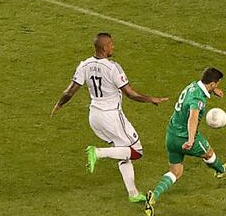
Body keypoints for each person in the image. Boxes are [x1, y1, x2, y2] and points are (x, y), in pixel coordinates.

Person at [50, 32, 168, 203]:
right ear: (105, 48)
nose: (113, 46)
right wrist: (151, 99)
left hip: (94, 116)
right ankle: (98, 152)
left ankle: (133, 193)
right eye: (111, 44)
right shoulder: (113, 68)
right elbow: (130, 93)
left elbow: (70, 90)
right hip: (111, 116)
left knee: (122, 152)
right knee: (136, 151)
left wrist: (59, 104)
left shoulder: (84, 65)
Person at [143, 68, 226, 216]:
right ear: (211, 83)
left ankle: (153, 197)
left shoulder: (193, 86)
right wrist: (191, 140)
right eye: (216, 84)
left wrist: (213, 91)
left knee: (176, 172)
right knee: (208, 153)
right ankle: (221, 170)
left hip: (171, 136)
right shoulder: (197, 99)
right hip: (185, 138)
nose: (217, 86)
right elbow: (193, 117)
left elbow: (201, 91)